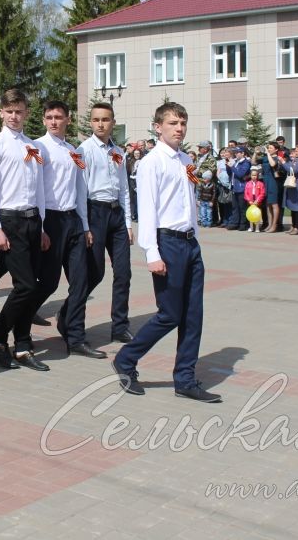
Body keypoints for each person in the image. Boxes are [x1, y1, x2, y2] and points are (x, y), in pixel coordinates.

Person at [112, 101, 220, 403]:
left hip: (189, 243)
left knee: (193, 316)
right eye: (173, 123)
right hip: (167, 243)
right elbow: (147, 209)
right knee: (170, 314)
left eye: (183, 123)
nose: (180, 128)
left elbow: (189, 197)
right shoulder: (151, 162)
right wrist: (152, 253)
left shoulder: (186, 159)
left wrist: (195, 236)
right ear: (158, 127)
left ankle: (185, 378)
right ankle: (125, 359)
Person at [0, 88, 49, 371]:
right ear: (1, 112)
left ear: (27, 113)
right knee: (24, 285)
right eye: (9, 111)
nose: (14, 116)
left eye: (19, 111)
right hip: (9, 221)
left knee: (32, 286)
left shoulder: (33, 146)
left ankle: (23, 345)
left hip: (33, 221)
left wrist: (42, 225)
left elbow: (39, 188)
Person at [31, 101, 101, 359]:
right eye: (49, 117)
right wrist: (39, 226)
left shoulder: (75, 152)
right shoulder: (37, 147)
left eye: (58, 117)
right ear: (43, 120)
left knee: (81, 281)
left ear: (67, 119)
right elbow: (34, 187)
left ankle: (76, 336)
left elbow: (81, 190)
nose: (53, 121)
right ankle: (20, 321)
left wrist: (84, 225)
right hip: (49, 220)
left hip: (72, 221)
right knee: (47, 283)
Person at [78, 101, 133, 344]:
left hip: (116, 214)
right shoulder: (83, 150)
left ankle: (120, 326)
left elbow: (124, 190)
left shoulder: (118, 152)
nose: (101, 124)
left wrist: (129, 224)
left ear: (112, 122)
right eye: (96, 119)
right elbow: (80, 191)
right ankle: (70, 311)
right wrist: (85, 226)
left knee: (123, 272)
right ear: (91, 122)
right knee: (95, 271)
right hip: (95, 212)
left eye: (105, 119)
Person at [243, 166, 265, 232]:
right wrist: (249, 200)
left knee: (257, 214)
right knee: (251, 214)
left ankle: (257, 227)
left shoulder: (260, 184)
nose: (254, 176)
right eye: (252, 175)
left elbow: (262, 193)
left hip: (257, 201)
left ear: (257, 176)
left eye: (255, 175)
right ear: (250, 175)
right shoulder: (248, 184)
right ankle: (251, 227)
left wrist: (257, 200)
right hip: (250, 201)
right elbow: (246, 193)